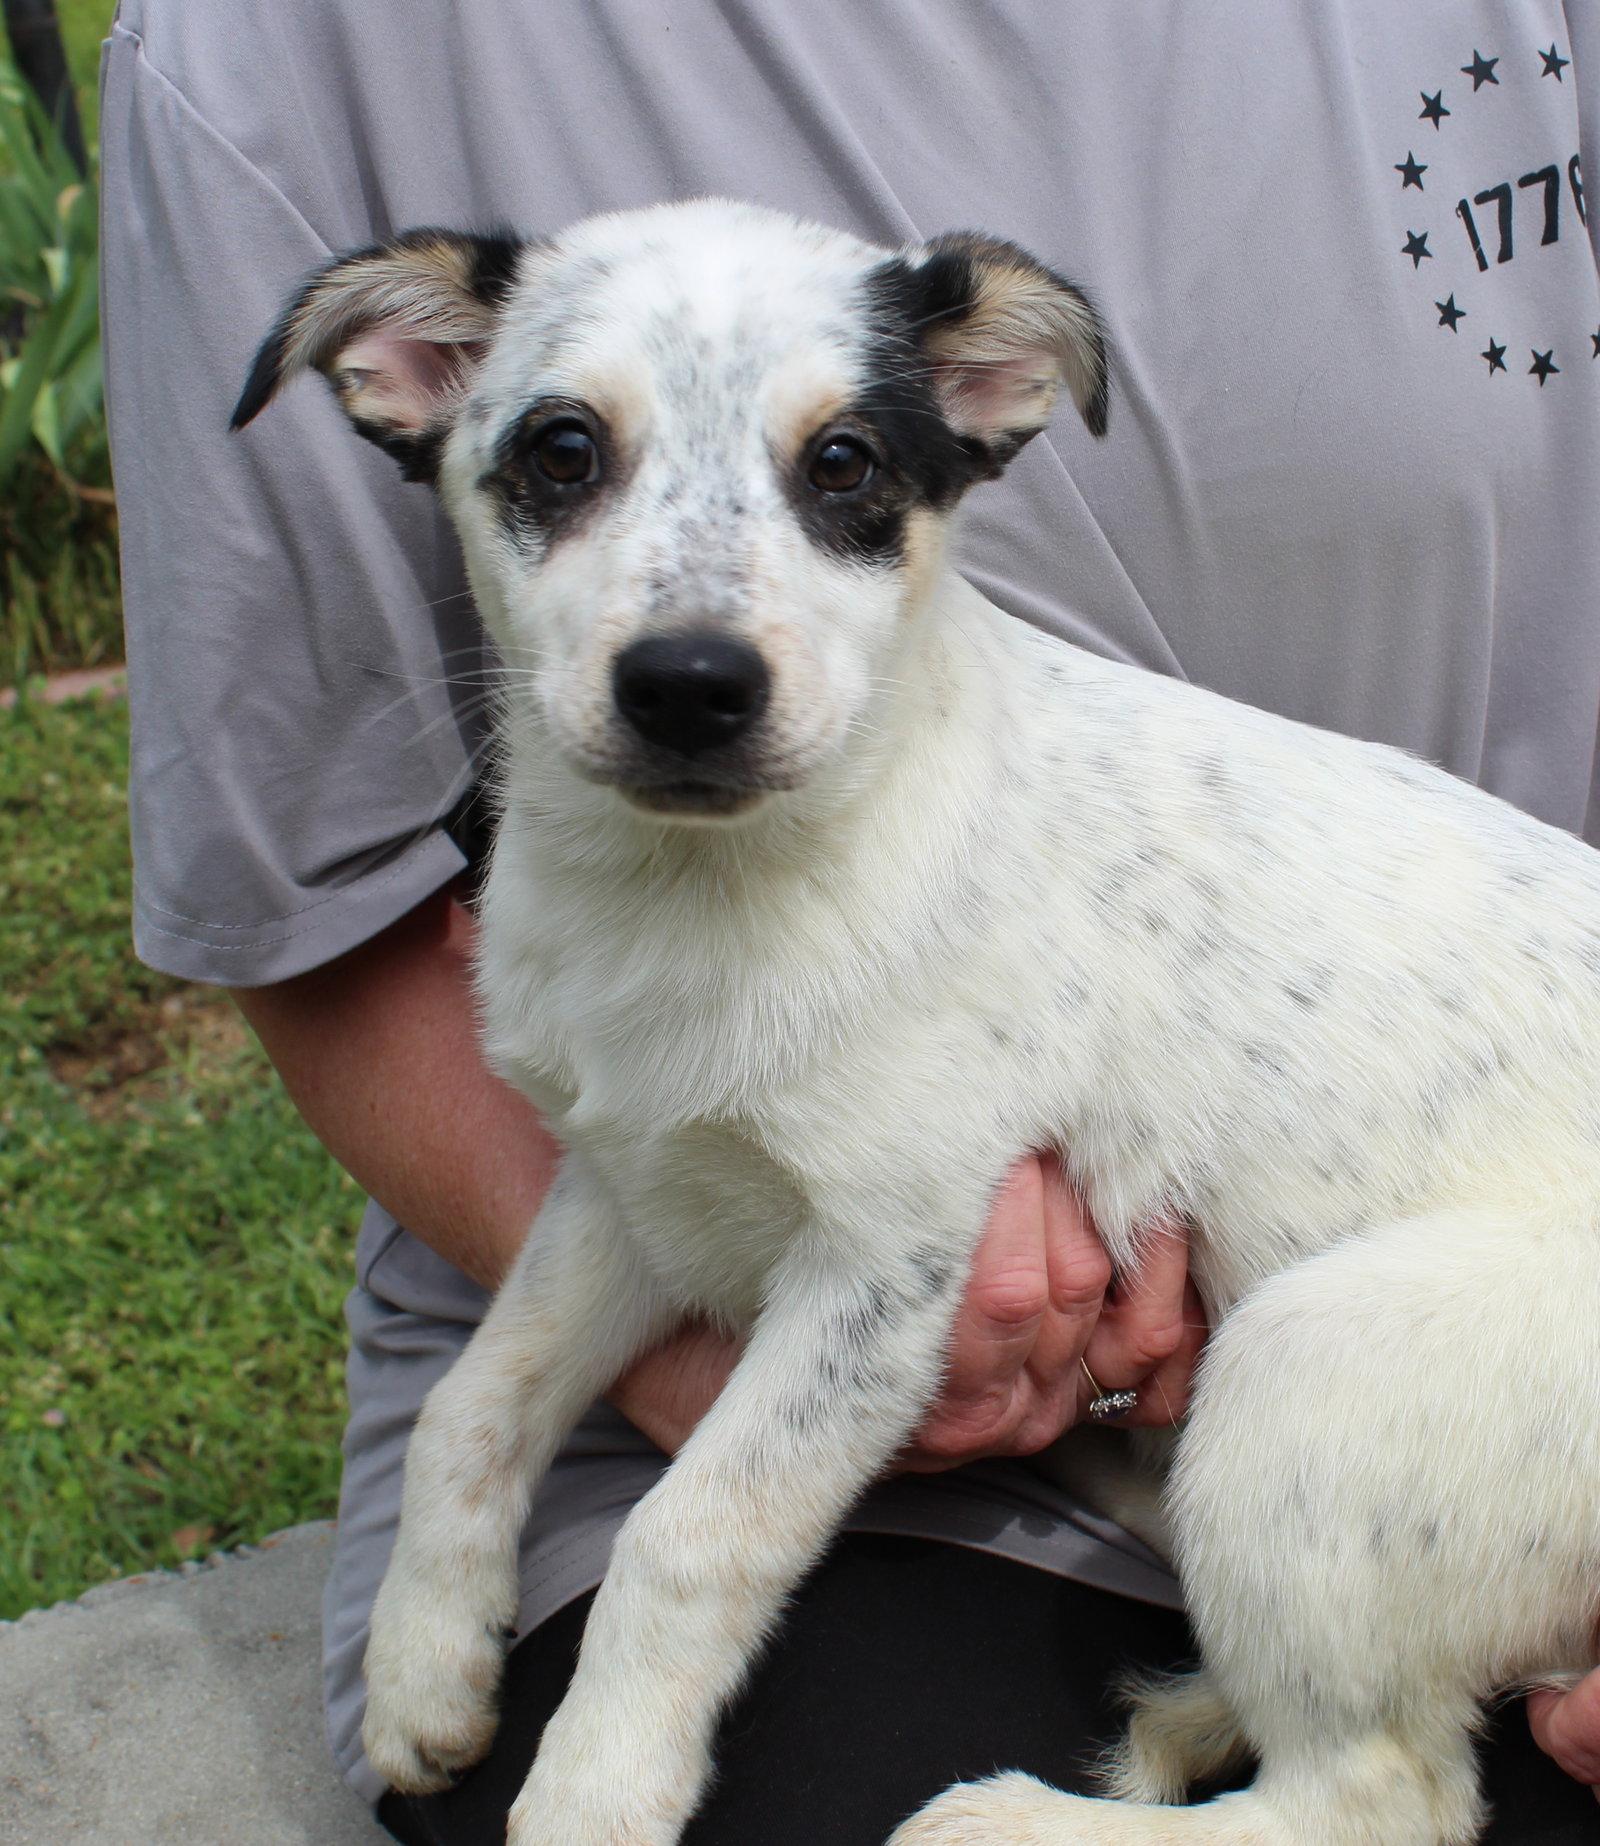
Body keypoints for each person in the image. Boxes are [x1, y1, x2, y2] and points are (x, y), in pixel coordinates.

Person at [99, 2, 1600, 1839]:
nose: (698, 628)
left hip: (1501, 1288)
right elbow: (665, 1175)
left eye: (837, 478)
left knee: (1326, 1383)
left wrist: (642, 1674)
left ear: (986, 409)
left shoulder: (929, 873)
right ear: (409, 386)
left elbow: (875, 1280)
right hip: (1180, 1461)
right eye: (568, 464)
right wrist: (462, 1487)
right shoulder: (276, 52)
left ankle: (1347, 1797)